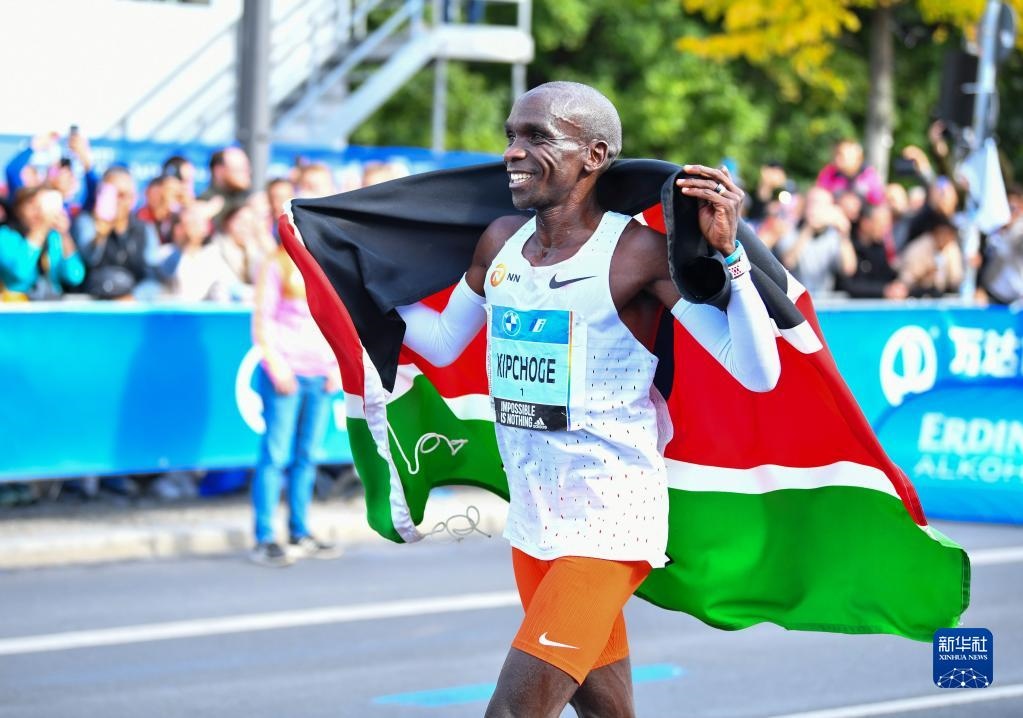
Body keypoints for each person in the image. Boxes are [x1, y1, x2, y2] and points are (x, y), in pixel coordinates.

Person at [394, 81, 780, 717]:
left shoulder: (635, 253)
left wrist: (731, 258)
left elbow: (756, 372)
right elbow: (439, 341)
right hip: (532, 517)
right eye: (511, 136)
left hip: (608, 520)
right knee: (606, 712)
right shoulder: (501, 242)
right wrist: (347, 280)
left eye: (536, 137)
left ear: (594, 156)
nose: (513, 152)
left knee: (514, 711)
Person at [250, 243, 343, 566]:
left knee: (307, 456)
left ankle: (298, 531)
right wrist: (277, 366)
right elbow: (262, 319)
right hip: (287, 374)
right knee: (275, 456)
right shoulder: (277, 262)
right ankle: (264, 537)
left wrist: (336, 368)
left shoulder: (327, 261)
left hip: (320, 375)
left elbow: (338, 319)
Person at [0, 185, 84, 300]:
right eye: (31, 204)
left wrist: (65, 235)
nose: (37, 211)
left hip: (50, 304)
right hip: (17, 304)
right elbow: (19, 273)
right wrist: (41, 228)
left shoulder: (53, 237)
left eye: (41, 205)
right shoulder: (5, 236)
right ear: (18, 209)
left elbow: (75, 275)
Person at [774, 185, 857, 295]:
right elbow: (788, 262)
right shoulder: (789, 229)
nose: (816, 209)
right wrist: (809, 229)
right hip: (795, 299)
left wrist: (844, 234)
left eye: (821, 205)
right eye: (812, 203)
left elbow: (849, 269)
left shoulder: (834, 236)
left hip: (823, 300)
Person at [815, 138, 885, 206]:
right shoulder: (830, 173)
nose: (837, 159)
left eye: (841, 155)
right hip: (836, 210)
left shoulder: (868, 174)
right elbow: (819, 193)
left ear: (857, 157)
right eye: (836, 154)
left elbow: (878, 199)